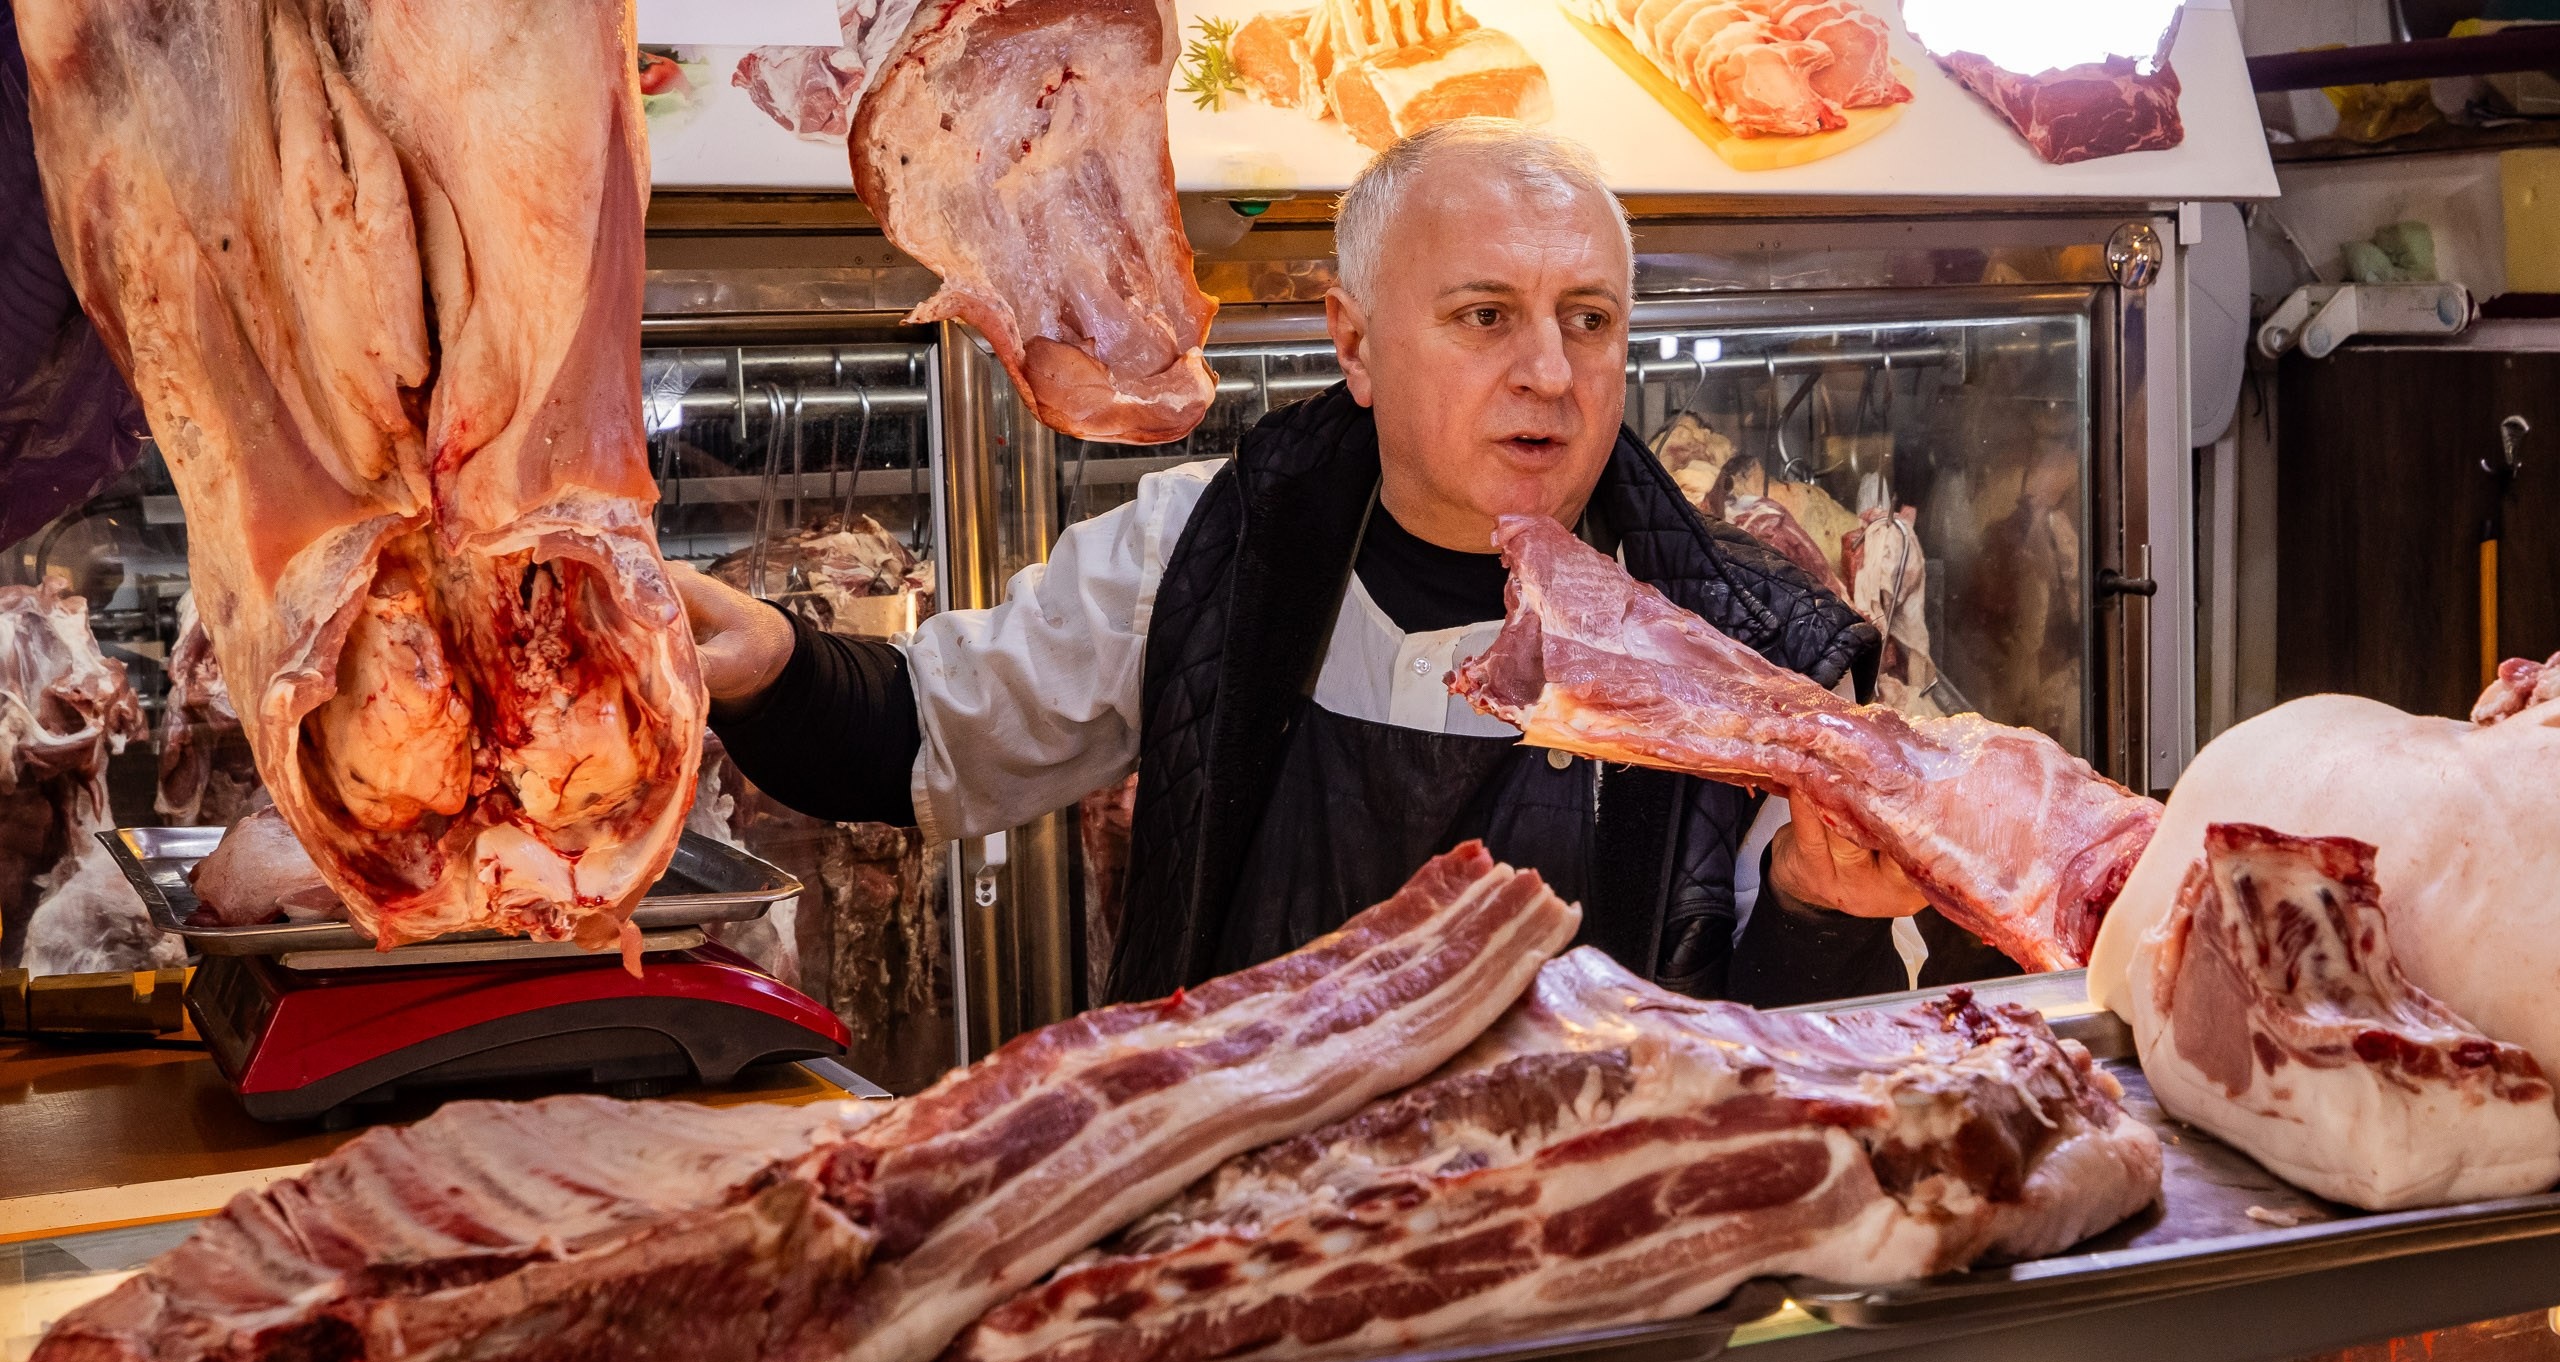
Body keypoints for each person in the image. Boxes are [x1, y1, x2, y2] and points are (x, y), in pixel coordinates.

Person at [678, 118, 1927, 1007]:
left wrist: (1823, 905)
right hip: (1258, 1267)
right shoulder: (1207, 549)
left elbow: (1828, 1040)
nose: (1548, 369)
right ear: (1356, 342)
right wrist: (768, 662)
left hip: (1600, 1281)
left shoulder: (1750, 646)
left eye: (1587, 320)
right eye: (1484, 315)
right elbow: (928, 734)